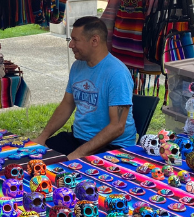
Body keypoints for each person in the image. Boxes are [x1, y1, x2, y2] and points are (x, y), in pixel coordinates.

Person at [32, 16, 136, 159]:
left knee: (62, 173)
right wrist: (42, 137)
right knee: (34, 159)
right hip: (78, 139)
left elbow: (117, 127)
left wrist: (77, 154)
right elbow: (67, 105)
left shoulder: (117, 73)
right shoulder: (78, 66)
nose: (71, 45)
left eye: (76, 40)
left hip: (112, 148)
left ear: (94, 40)